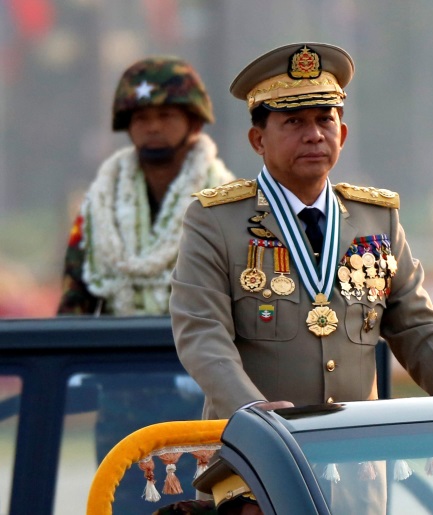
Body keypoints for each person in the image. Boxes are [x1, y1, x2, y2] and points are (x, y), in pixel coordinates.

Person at [170, 42, 433, 511]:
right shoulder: (215, 221)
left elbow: (419, 325)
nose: (314, 135)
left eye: (324, 120)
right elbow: (202, 334)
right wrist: (253, 413)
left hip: (354, 477)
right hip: (254, 475)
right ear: (257, 140)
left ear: (343, 132)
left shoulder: (375, 219)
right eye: (294, 122)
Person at [56, 56, 234, 513]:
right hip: (120, 396)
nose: (153, 127)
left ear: (193, 122)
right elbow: (77, 299)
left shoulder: (227, 204)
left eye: (166, 115)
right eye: (141, 117)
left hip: (203, 399)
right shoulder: (97, 207)